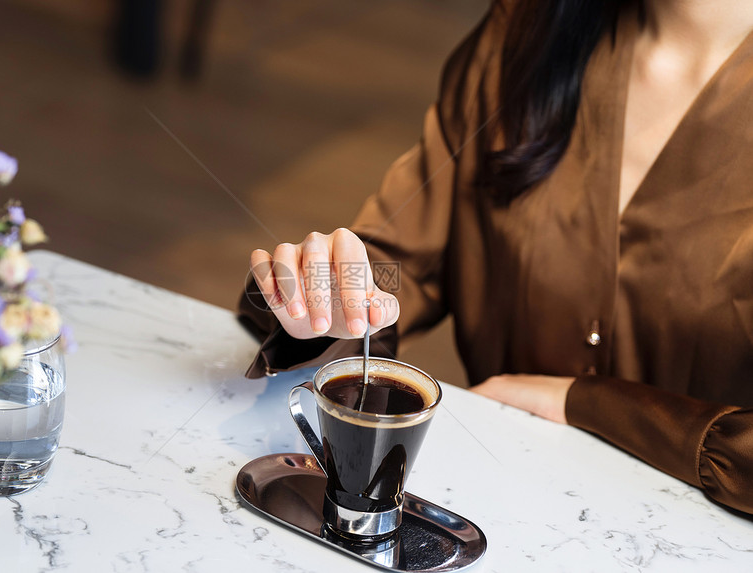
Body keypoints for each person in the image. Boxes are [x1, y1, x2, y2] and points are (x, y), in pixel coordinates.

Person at [239, 0, 753, 515]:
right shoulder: (529, 29)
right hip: (506, 507)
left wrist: (589, 405)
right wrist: (328, 293)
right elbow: (399, 266)